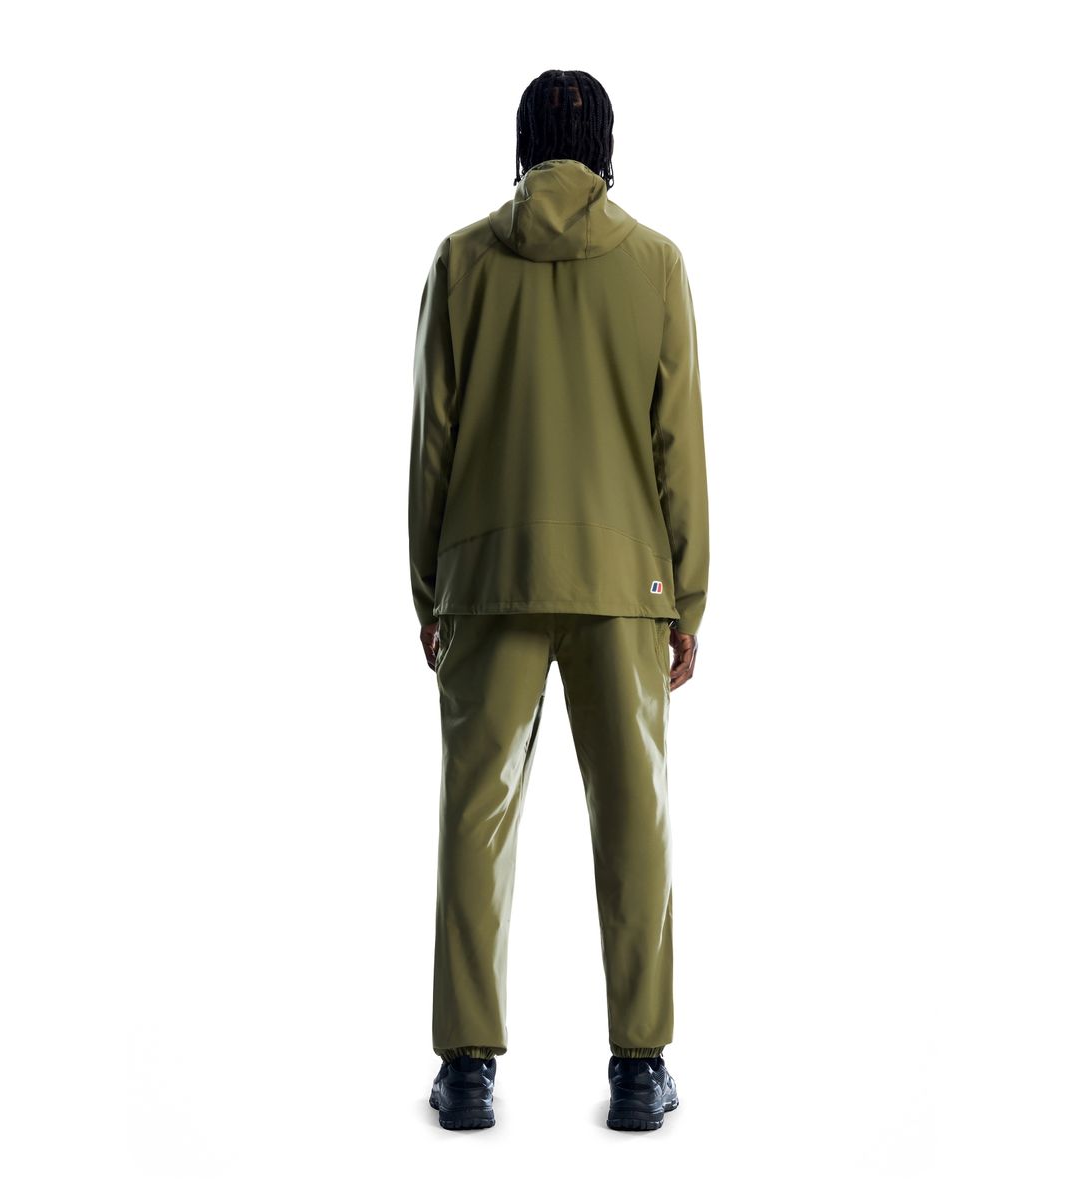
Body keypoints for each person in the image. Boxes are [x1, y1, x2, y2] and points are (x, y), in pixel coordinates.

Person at [409, 68, 709, 1132]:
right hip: (625, 583)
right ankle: (639, 1068)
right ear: (606, 149)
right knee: (634, 820)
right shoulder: (656, 264)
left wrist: (429, 585)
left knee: (474, 816)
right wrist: (689, 599)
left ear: (522, 144)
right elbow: (679, 446)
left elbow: (433, 441)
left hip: (488, 575)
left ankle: (466, 1071)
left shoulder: (461, 262)